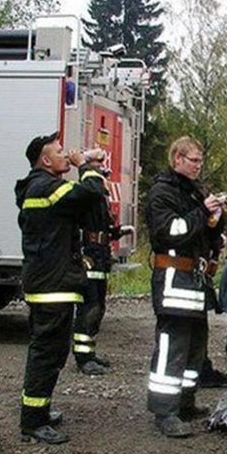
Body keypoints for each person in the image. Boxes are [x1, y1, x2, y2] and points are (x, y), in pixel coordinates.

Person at [15, 132, 106, 444]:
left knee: (51, 353)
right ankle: (33, 421)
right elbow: (90, 193)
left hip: (51, 282)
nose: (65, 154)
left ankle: (39, 412)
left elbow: (87, 209)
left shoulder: (41, 186)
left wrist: (90, 160)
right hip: (51, 286)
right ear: (44, 160)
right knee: (46, 353)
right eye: (59, 151)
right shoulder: (47, 188)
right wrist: (86, 166)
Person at [145, 136, 227, 438]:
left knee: (195, 347)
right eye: (194, 160)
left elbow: (201, 233)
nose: (198, 166)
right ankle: (164, 411)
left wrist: (216, 220)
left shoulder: (193, 193)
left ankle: (186, 402)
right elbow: (171, 232)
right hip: (172, 282)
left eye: (200, 161)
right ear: (177, 158)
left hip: (194, 283)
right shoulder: (162, 192)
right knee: (172, 347)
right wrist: (202, 212)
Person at [72, 152, 129, 376]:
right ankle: (83, 358)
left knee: (98, 307)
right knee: (89, 307)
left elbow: (101, 224)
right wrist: (85, 166)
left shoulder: (99, 191)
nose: (103, 167)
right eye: (98, 163)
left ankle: (89, 352)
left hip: (101, 253)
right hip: (91, 254)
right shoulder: (88, 189)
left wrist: (116, 232)